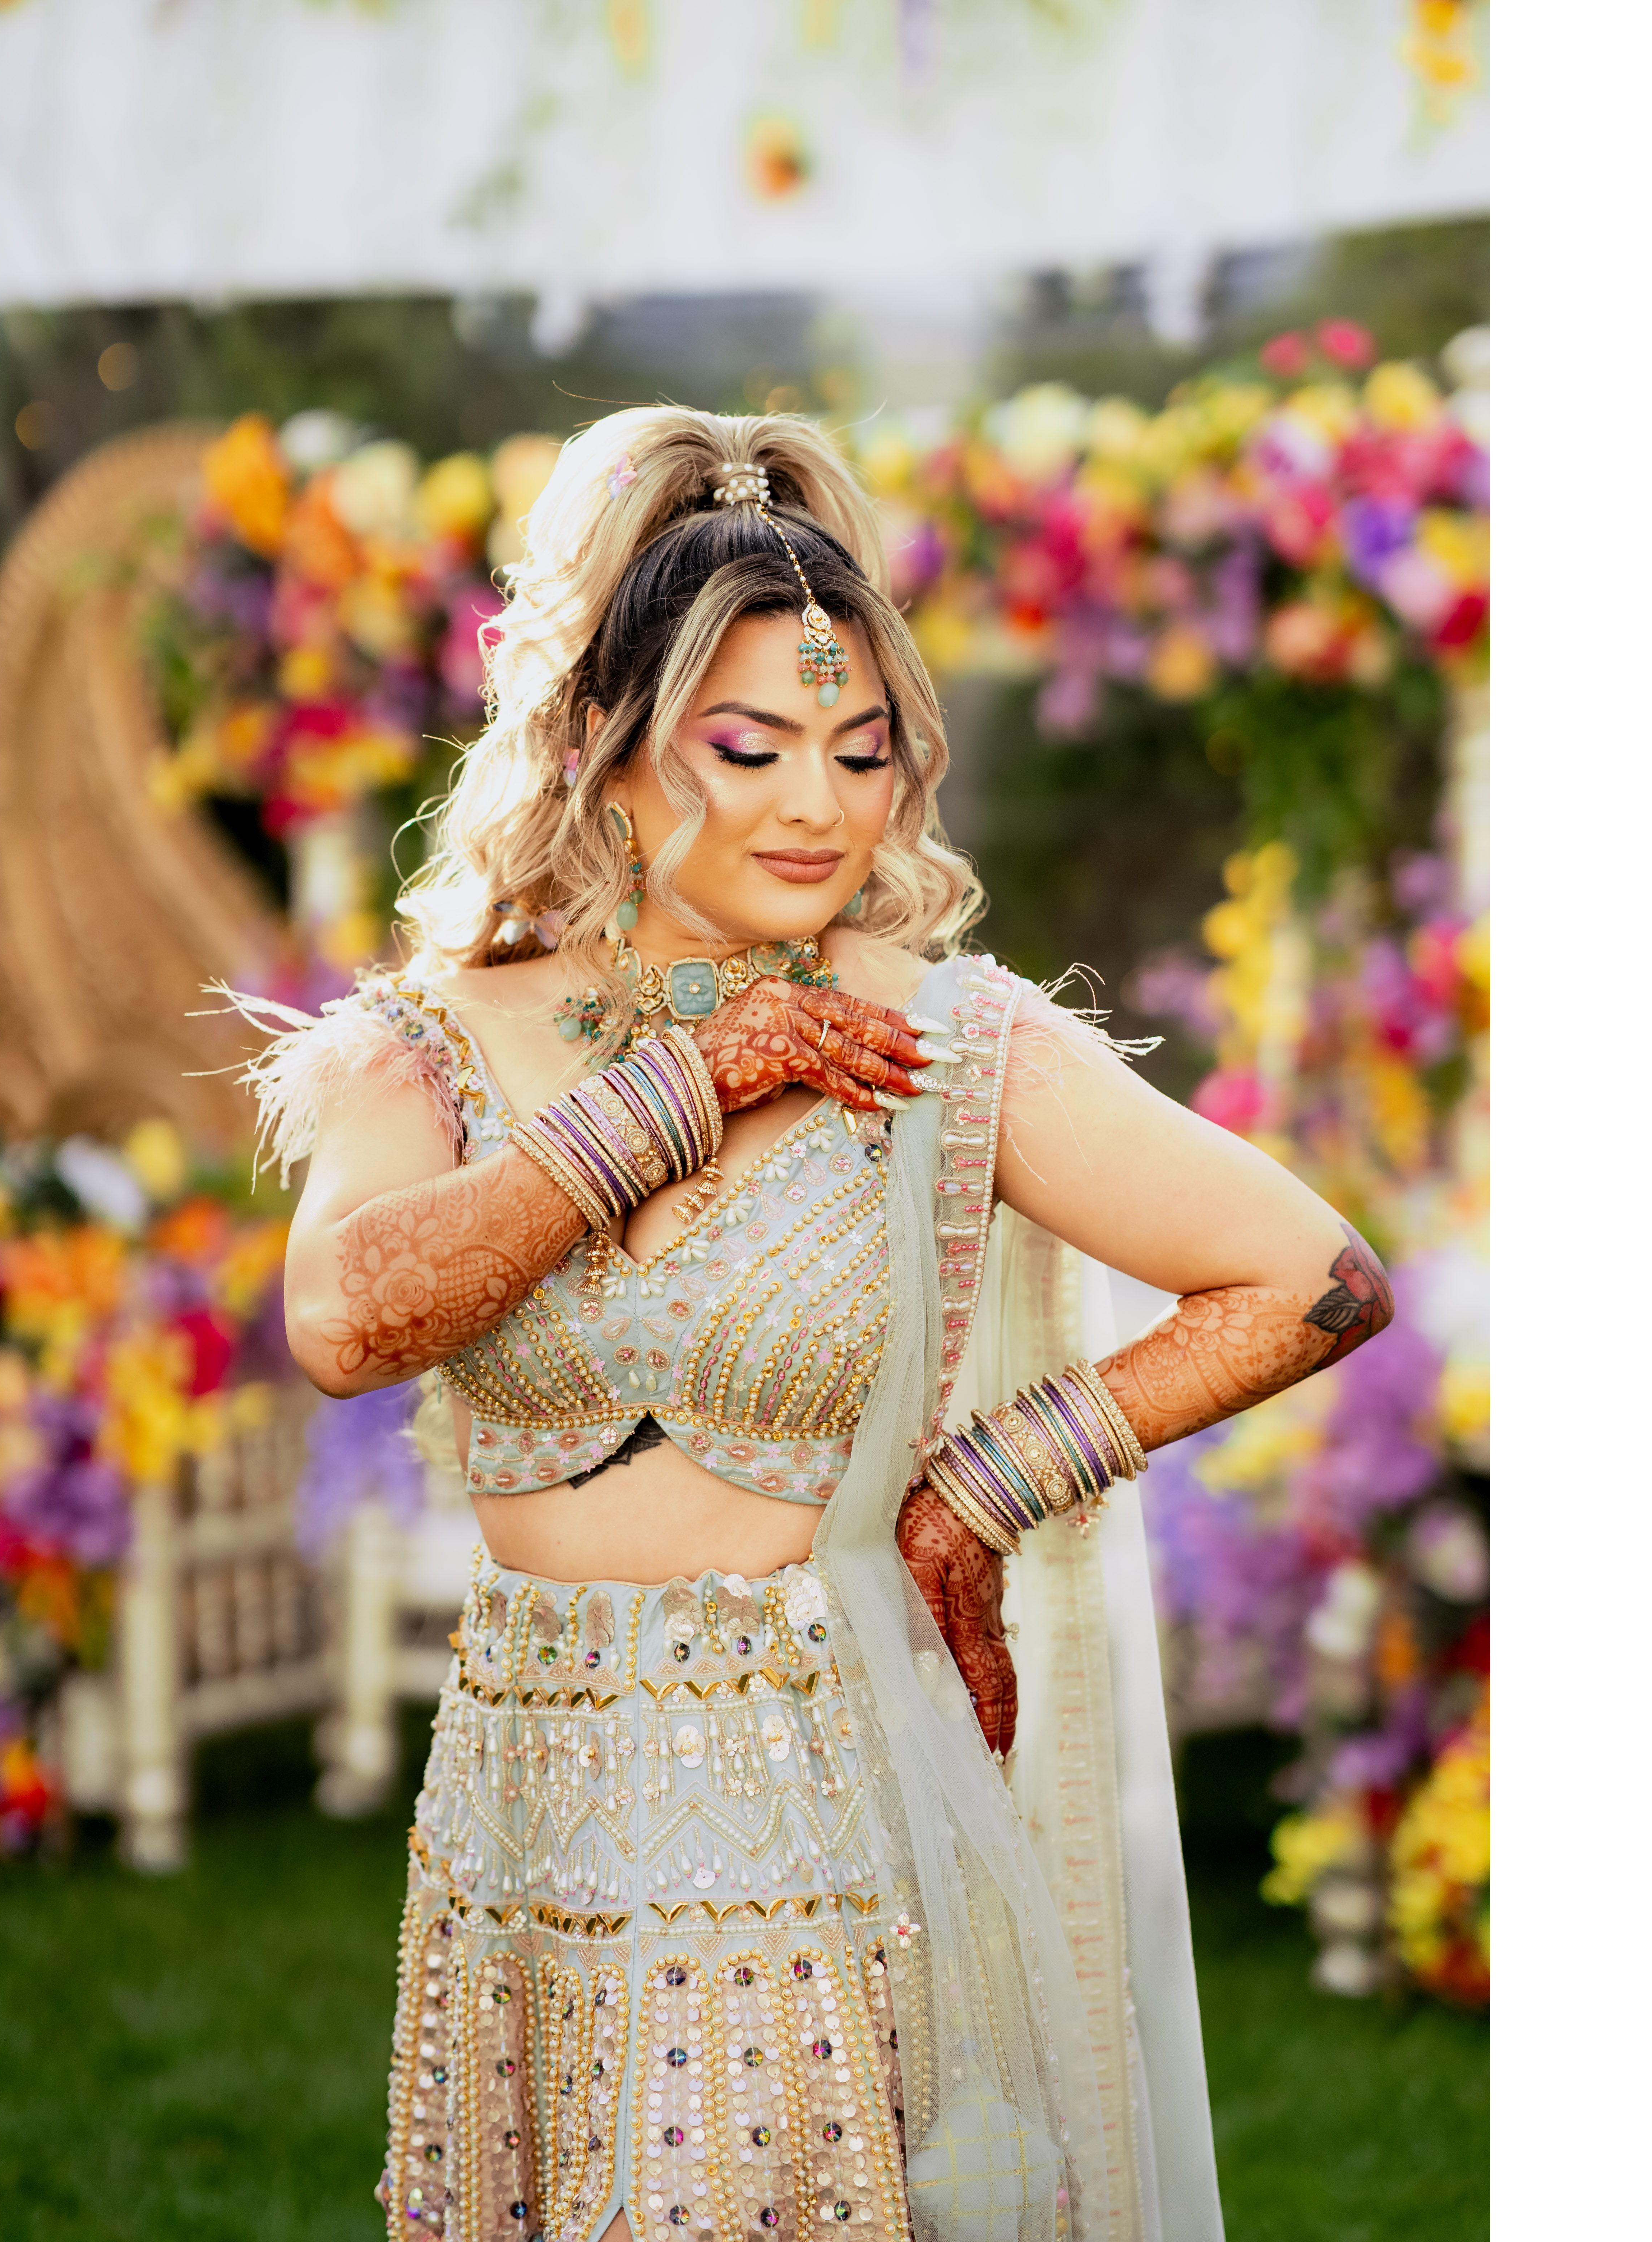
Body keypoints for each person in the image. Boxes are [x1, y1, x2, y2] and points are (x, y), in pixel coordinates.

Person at [233, 409, 1392, 2242]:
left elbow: (1313, 1276)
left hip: (813, 1820)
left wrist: (981, 1494)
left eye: (861, 753)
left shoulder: (927, 1035)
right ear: (605, 749)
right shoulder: (436, 1042)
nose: (819, 807)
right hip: (517, 1824)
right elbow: (349, 1322)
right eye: (750, 747)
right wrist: (687, 1085)